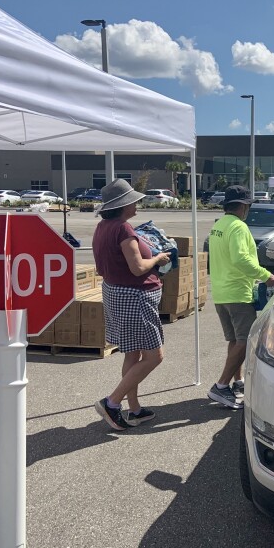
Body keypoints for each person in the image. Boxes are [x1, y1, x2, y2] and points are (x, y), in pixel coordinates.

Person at [92, 179, 172, 431]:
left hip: (116, 293)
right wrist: (158, 258)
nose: (137, 204)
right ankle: (112, 402)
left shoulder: (103, 226)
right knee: (154, 356)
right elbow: (137, 268)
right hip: (135, 297)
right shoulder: (123, 229)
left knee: (132, 352)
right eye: (134, 201)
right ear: (124, 205)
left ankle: (134, 409)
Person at [207, 185, 274, 409]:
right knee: (244, 340)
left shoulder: (218, 225)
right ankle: (220, 386)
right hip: (237, 292)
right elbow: (240, 259)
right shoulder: (238, 227)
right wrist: (266, 275)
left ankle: (237, 382)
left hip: (221, 292)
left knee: (234, 340)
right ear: (244, 206)